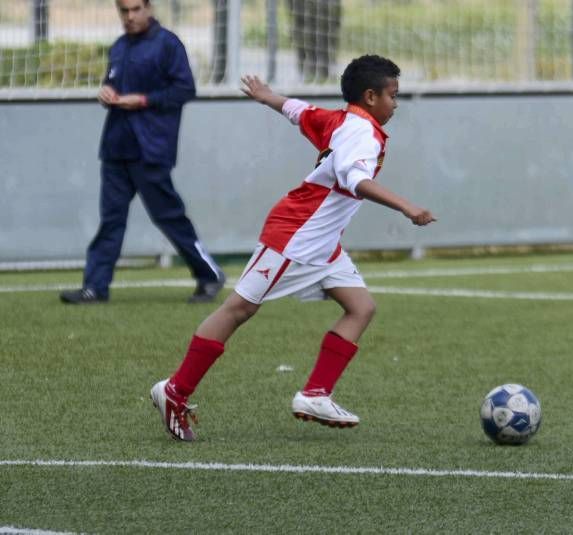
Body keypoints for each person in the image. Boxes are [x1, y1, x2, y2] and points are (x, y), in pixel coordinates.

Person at [150, 54, 436, 441]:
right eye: (393, 95)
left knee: (361, 307)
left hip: (322, 244)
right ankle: (175, 391)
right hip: (296, 235)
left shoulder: (341, 119)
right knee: (238, 309)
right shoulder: (362, 134)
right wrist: (407, 207)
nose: (396, 104)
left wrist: (269, 96)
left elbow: (300, 112)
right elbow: (355, 179)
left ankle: (316, 393)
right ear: (371, 96)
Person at [60, 0, 225, 305]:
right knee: (110, 220)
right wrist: (106, 94)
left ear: (149, 8)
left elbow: (185, 90)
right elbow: (111, 86)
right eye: (124, 10)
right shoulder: (120, 47)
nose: (130, 16)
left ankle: (209, 275)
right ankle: (95, 288)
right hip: (115, 147)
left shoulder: (168, 45)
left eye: (136, 9)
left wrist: (144, 100)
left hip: (151, 149)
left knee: (169, 217)